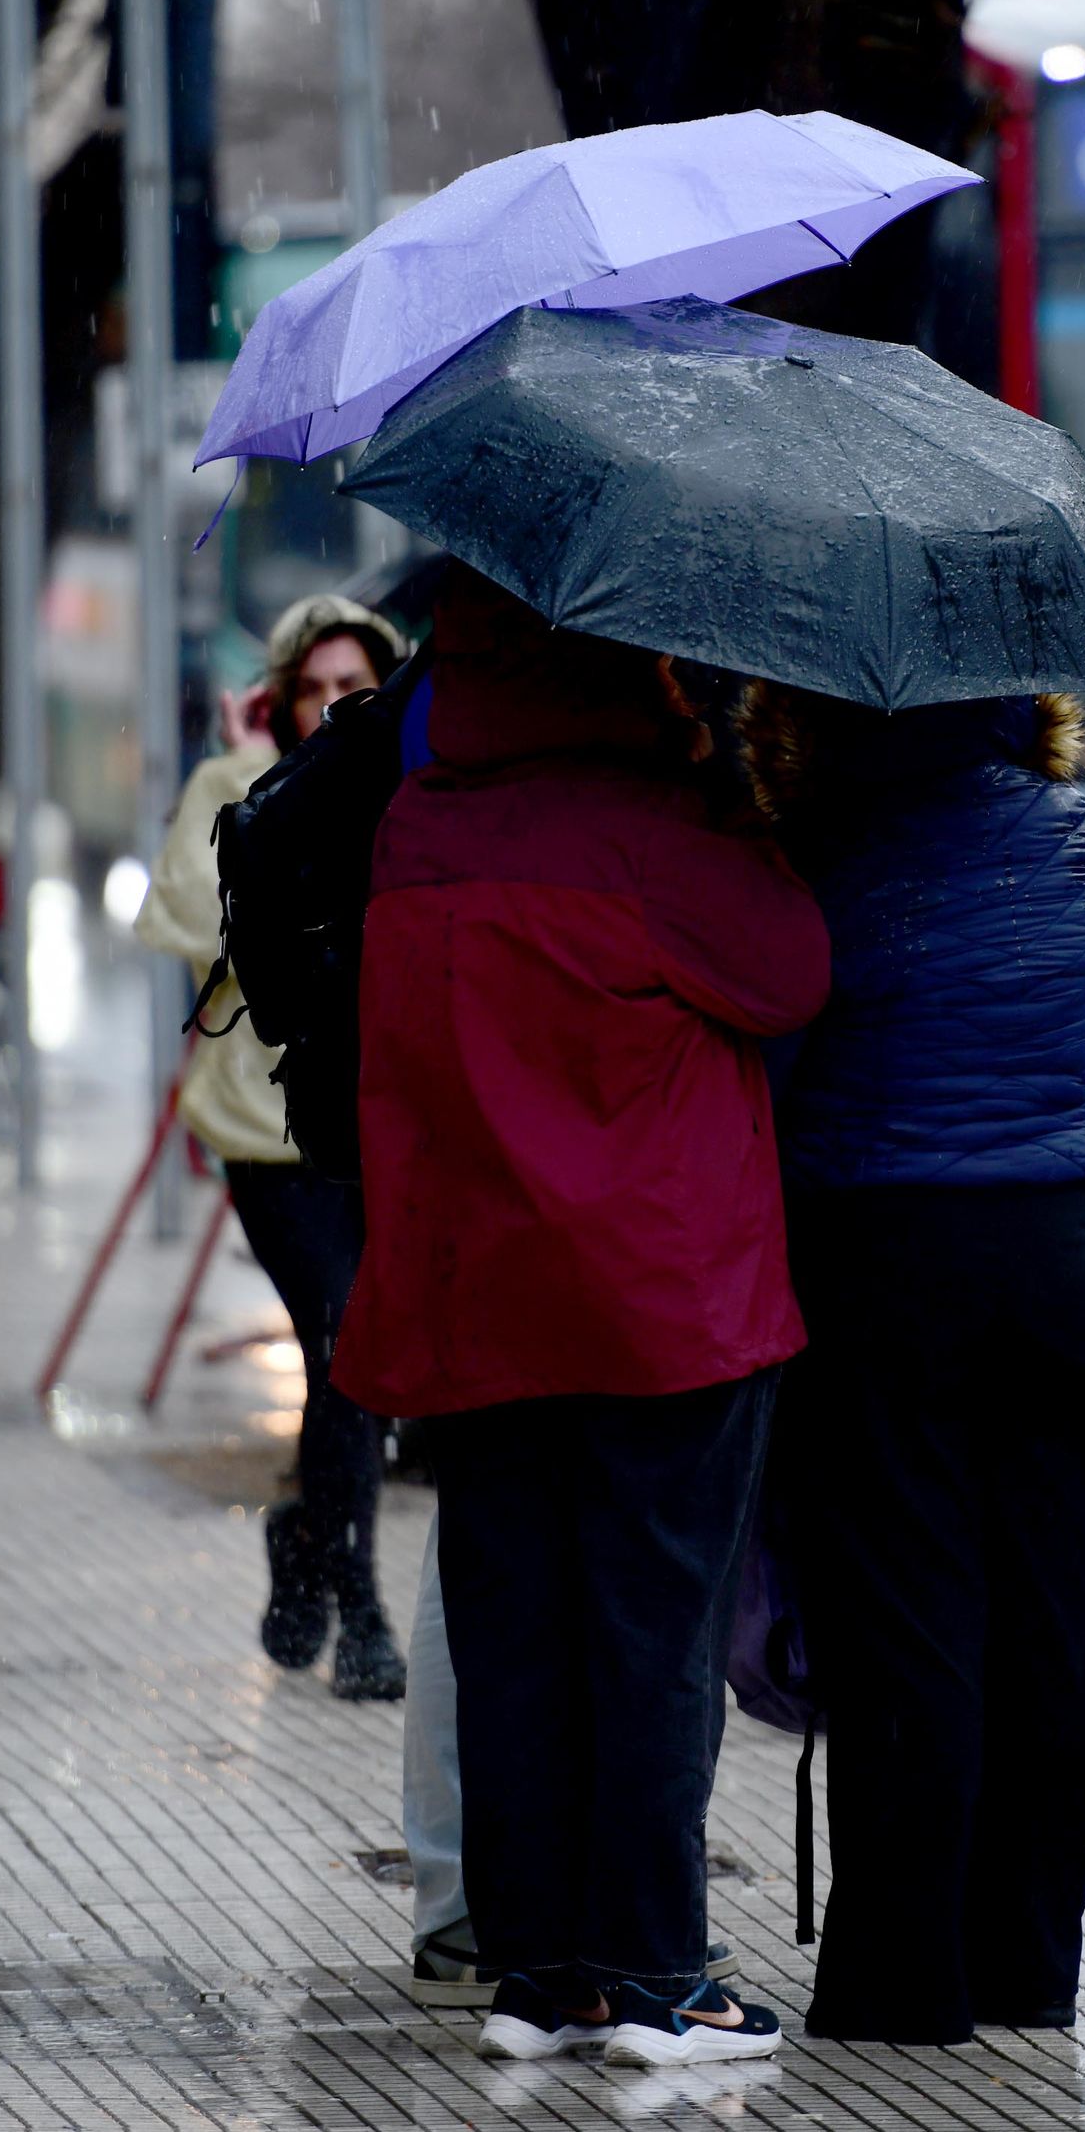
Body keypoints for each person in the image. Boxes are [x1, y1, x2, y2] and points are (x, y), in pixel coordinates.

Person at [331, 568, 830, 2067]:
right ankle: (659, 1974)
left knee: (515, 1635)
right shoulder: (656, 823)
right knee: (650, 1630)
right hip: (656, 1300)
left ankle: (541, 1975)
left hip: (476, 1296)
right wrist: (737, 784)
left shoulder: (419, 824)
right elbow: (792, 972)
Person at [739, 684, 1085, 2047]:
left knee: (904, 1614)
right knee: (1060, 1613)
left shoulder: (816, 850)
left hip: (882, 1254)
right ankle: (1027, 1962)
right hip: (1060, 1253)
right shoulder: (1077, 833)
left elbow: (772, 1075)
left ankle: (901, 1981)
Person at [136, 592, 410, 1701]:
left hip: (383, 1120)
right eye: (318, 688)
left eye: (359, 687)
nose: (338, 705)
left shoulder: (414, 787)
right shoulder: (236, 787)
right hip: (268, 1128)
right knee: (342, 1340)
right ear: (283, 699)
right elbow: (182, 920)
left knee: (360, 1355)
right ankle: (363, 1605)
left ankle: (304, 1527)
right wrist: (266, 797)